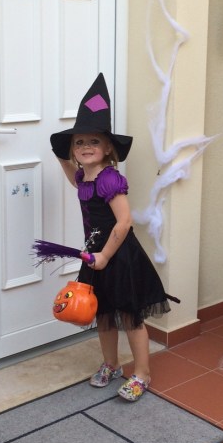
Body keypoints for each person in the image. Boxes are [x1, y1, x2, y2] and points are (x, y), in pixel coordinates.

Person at [50, 73, 174, 402]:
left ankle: (142, 373)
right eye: (79, 142)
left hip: (118, 256)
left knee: (130, 318)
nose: (85, 147)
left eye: (93, 141)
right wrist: (61, 156)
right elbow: (76, 182)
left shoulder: (109, 179)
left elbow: (124, 221)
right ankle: (111, 364)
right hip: (94, 256)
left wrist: (105, 255)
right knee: (102, 314)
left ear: (108, 148)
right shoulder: (84, 176)